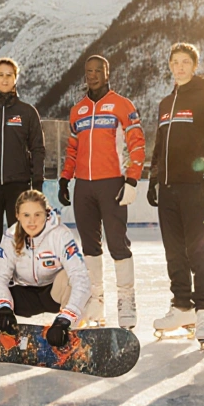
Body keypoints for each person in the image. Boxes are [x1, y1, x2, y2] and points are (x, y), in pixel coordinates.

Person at [146, 43, 204, 348]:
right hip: (168, 190)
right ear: (169, 66)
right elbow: (158, 145)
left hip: (194, 189)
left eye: (185, 62)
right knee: (174, 251)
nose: (180, 67)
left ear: (194, 66)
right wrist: (153, 180)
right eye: (175, 62)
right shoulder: (165, 103)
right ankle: (182, 306)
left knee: (199, 252)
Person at [58, 55, 146, 328]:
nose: (93, 75)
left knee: (118, 244)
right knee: (90, 248)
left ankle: (126, 300)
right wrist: (65, 179)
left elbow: (137, 144)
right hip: (83, 186)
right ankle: (95, 302)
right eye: (89, 71)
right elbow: (72, 149)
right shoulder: (78, 110)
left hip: (112, 184)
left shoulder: (122, 105)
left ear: (107, 73)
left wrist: (132, 180)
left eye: (98, 70)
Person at [0, 57, 45, 315]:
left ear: (16, 78)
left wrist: (37, 184)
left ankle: (19, 290)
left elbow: (37, 149)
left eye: (9, 75)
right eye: (0, 75)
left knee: (19, 242)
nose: (4, 79)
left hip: (19, 189)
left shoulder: (27, 112)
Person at [0, 190, 92, 347]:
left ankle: (69, 331)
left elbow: (80, 278)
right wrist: (3, 308)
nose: (32, 221)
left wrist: (65, 319)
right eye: (26, 215)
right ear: (17, 215)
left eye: (37, 215)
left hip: (53, 294)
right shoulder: (10, 236)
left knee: (69, 277)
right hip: (25, 296)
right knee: (2, 288)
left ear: (46, 213)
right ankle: (6, 331)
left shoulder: (60, 235)